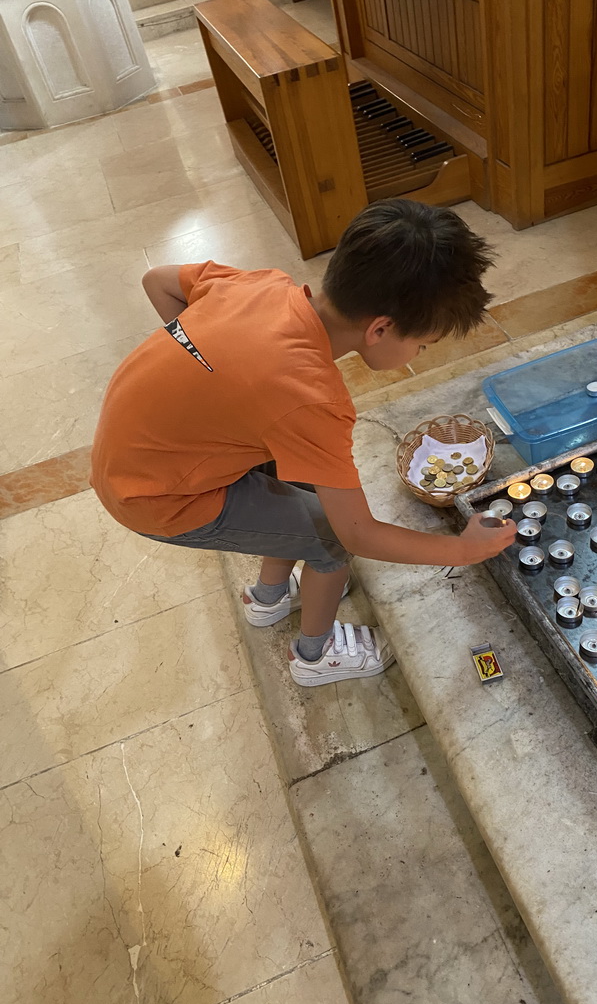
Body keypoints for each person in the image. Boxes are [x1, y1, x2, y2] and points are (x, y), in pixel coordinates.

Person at [91, 198, 517, 687]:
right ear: (380, 329)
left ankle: (269, 597)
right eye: (423, 345)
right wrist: (463, 550)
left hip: (132, 451)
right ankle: (315, 656)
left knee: (304, 489)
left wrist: (207, 375)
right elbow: (358, 533)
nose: (418, 354)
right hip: (157, 497)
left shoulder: (264, 286)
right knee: (329, 541)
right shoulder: (312, 399)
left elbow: (158, 281)